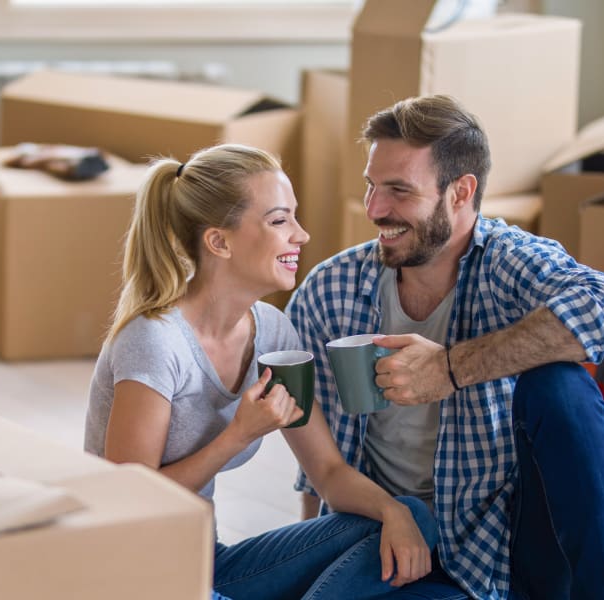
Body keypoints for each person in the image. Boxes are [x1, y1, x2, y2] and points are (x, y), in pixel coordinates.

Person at [287, 94, 604, 600]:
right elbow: (318, 469)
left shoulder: (509, 263)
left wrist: (449, 368)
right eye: (371, 187)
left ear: (460, 191)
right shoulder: (330, 290)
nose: (374, 209)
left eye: (398, 190)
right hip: (392, 543)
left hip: (504, 543)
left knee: (560, 386)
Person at [85, 143, 457, 599]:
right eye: (280, 221)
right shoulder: (155, 340)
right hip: (135, 581)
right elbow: (129, 497)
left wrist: (395, 513)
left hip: (206, 564)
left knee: (408, 516)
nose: (300, 235)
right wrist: (237, 435)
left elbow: (327, 472)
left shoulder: (274, 334)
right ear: (219, 242)